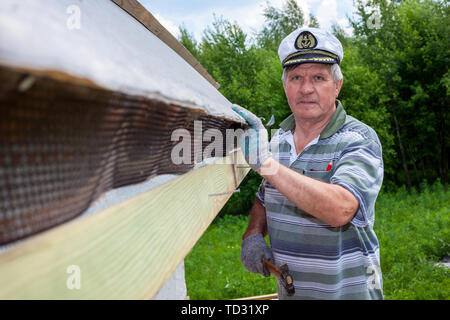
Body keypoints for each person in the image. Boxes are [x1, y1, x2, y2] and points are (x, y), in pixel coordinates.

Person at [232, 27, 384, 300]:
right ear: (284, 85)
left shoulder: (359, 139)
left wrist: (266, 165)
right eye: (296, 77)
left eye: (318, 78)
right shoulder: (277, 141)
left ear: (337, 85)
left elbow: (341, 208)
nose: (305, 89)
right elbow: (267, 194)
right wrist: (253, 233)